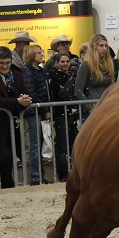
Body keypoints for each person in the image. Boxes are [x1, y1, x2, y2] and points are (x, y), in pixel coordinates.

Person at [0, 46, 31, 189]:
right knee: (4, 156)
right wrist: (16, 102)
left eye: (7, 63)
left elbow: (24, 93)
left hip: (13, 124)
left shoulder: (17, 74)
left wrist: (24, 100)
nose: (5, 66)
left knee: (9, 157)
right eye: (1, 63)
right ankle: (8, 186)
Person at [20, 43, 53, 185]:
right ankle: (35, 176)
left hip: (41, 109)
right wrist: (45, 110)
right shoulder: (27, 71)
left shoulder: (40, 70)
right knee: (35, 144)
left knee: (40, 143)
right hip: (34, 111)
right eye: (39, 52)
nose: (41, 54)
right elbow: (31, 92)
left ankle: (41, 175)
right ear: (32, 55)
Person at [47, 51, 77, 182]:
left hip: (72, 115)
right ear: (57, 63)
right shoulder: (54, 77)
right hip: (60, 114)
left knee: (73, 144)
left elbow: (73, 94)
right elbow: (62, 95)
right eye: (62, 61)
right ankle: (63, 175)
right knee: (62, 147)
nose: (65, 64)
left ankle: (73, 171)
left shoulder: (71, 76)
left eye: (67, 61)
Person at [74, 33, 115, 105]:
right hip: (92, 105)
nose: (104, 48)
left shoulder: (109, 64)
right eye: (101, 45)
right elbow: (78, 91)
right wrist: (89, 108)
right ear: (94, 47)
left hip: (106, 104)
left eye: (106, 46)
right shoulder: (86, 64)